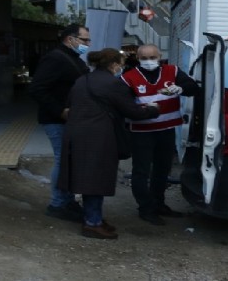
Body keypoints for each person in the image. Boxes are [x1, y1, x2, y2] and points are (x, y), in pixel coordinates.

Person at [58, 48, 160, 239]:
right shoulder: (113, 83)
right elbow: (133, 112)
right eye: (120, 64)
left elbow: (70, 105)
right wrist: (154, 110)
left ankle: (93, 217)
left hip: (76, 135)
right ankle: (93, 223)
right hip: (99, 137)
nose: (121, 68)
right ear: (113, 65)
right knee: (96, 180)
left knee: (88, 179)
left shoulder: (82, 80)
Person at [121, 44, 201, 225]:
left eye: (152, 57)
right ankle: (145, 208)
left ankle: (159, 203)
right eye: (144, 58)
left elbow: (193, 87)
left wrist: (181, 89)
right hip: (142, 132)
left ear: (159, 57)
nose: (149, 61)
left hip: (166, 129)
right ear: (138, 59)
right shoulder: (128, 77)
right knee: (141, 171)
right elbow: (124, 104)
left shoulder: (172, 71)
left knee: (162, 169)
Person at [28, 23, 91, 222]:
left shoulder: (72, 58)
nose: (87, 44)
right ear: (70, 39)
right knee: (62, 160)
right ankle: (57, 204)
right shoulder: (55, 58)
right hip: (57, 120)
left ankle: (66, 200)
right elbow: (37, 88)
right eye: (84, 40)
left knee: (68, 161)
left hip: (70, 119)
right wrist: (59, 110)